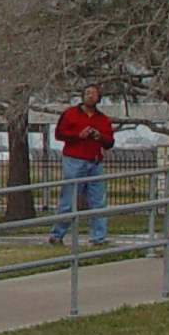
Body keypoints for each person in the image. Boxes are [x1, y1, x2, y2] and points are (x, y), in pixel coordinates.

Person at [53, 85, 115, 246]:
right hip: (74, 161)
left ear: (99, 98)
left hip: (95, 162)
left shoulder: (103, 119)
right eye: (88, 93)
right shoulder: (70, 114)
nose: (91, 96)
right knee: (69, 199)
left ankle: (98, 238)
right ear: (82, 96)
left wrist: (99, 136)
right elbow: (59, 134)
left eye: (95, 94)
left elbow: (109, 142)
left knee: (98, 202)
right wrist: (78, 135)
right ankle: (57, 235)